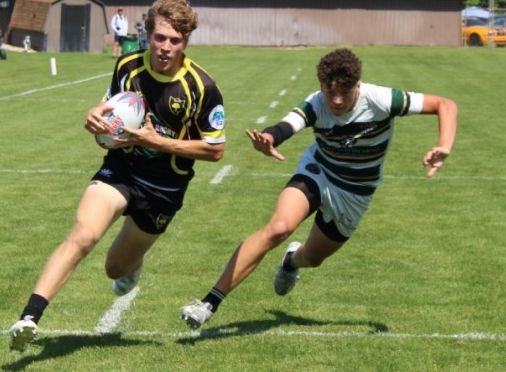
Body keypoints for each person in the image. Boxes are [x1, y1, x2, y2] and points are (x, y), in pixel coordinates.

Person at [8, 0, 226, 351]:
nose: (165, 47)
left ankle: (132, 267)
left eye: (175, 40)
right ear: (148, 35)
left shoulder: (203, 87)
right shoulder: (127, 66)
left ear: (185, 42)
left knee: (115, 269)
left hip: (164, 190)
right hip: (122, 169)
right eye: (159, 38)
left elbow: (215, 151)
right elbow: (110, 111)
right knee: (84, 234)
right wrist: (94, 117)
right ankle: (29, 317)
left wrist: (159, 143)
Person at [180, 48, 457, 329]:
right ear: (321, 86)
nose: (336, 101)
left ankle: (291, 261)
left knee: (312, 258)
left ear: (358, 84)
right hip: (318, 172)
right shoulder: (316, 104)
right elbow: (287, 125)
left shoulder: (382, 99)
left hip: (354, 194)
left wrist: (444, 146)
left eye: (344, 93)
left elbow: (445, 104)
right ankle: (208, 303)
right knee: (278, 227)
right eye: (329, 91)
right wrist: (269, 138)